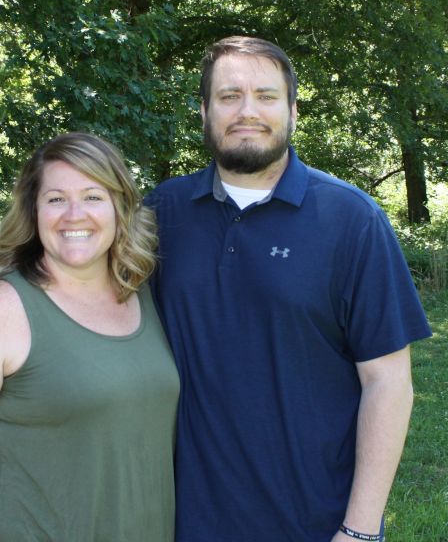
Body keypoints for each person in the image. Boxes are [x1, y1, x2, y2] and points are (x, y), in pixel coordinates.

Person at [145, 36, 431, 542]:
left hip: (314, 523)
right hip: (182, 521)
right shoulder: (162, 213)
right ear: (204, 111)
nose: (247, 111)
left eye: (266, 96)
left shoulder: (351, 220)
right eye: (229, 96)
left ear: (293, 111)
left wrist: (360, 529)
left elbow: (388, 382)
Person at [0, 132, 179, 541]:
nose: (74, 214)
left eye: (93, 196)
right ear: (34, 210)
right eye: (56, 199)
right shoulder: (0, 310)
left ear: (120, 208)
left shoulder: (144, 295)